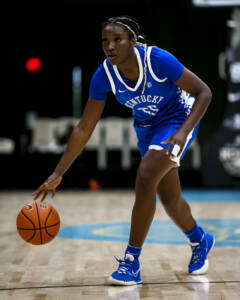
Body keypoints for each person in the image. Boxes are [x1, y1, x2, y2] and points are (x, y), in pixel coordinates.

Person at [32, 15, 214, 286]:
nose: (110, 46)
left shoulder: (157, 59)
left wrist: (183, 132)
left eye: (117, 39)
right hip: (147, 128)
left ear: (132, 41)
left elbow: (204, 92)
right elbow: (84, 128)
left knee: (145, 176)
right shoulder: (104, 74)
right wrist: (58, 172)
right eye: (105, 40)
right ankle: (200, 239)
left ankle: (131, 262)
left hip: (178, 120)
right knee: (169, 199)